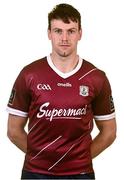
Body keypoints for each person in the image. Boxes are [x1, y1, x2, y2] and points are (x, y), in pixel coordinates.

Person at [7, 3, 116, 180]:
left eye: (71, 31)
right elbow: (13, 130)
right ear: (49, 33)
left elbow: (109, 132)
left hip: (80, 174)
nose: (64, 38)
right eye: (58, 31)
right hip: (36, 173)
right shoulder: (29, 74)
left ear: (80, 33)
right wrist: (40, 157)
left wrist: (78, 159)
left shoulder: (96, 77)